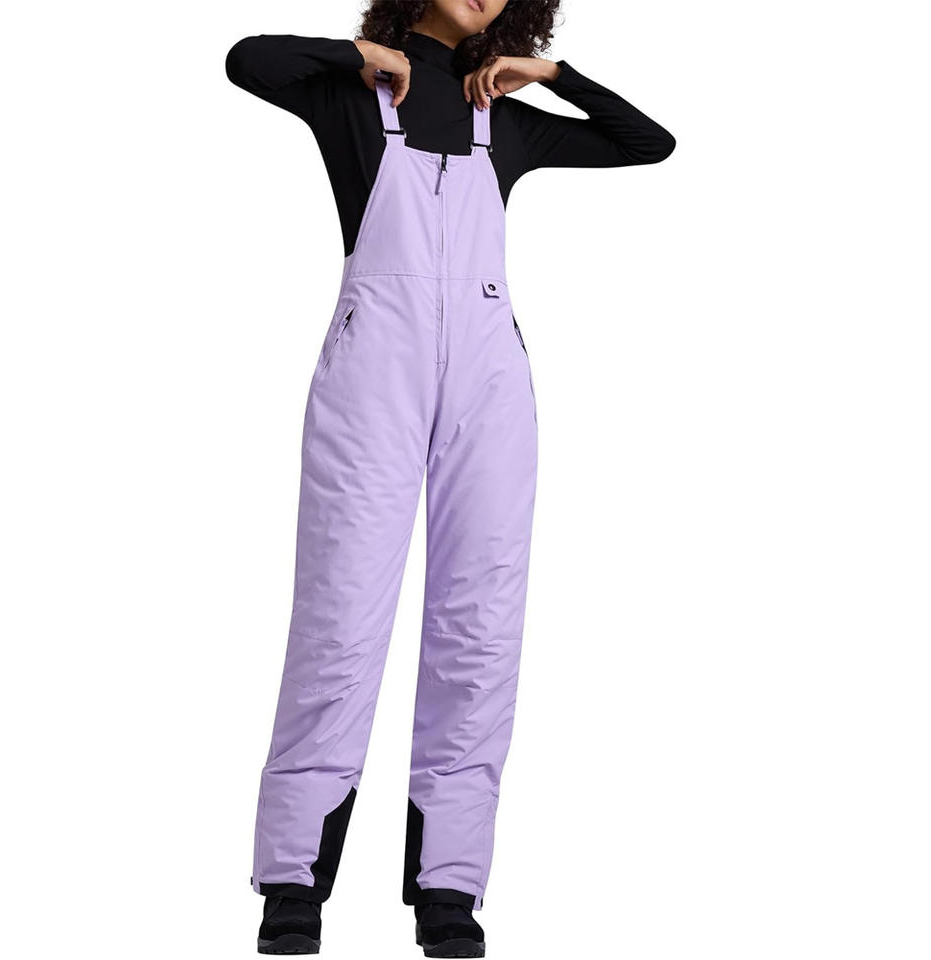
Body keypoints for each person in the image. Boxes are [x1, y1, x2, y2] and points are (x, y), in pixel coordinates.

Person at [226, 1, 675, 955]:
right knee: (341, 613)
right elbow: (246, 60)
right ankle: (293, 879)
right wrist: (362, 54)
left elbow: (649, 143)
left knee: (481, 621)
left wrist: (548, 74)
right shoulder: (353, 95)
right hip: (373, 373)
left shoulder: (500, 115)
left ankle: (449, 887)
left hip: (490, 376)